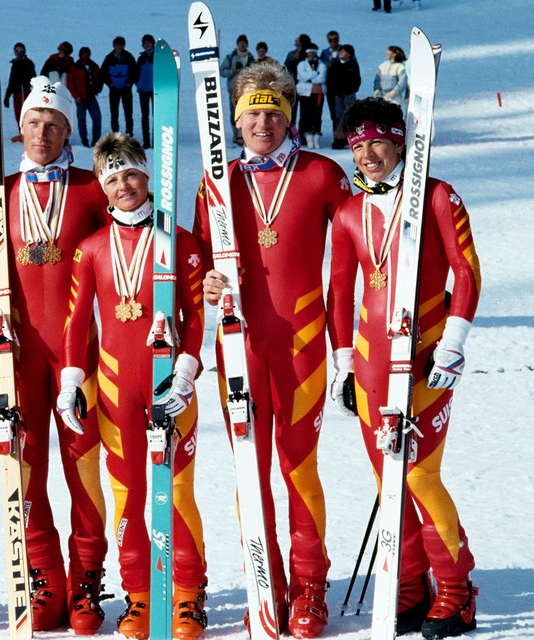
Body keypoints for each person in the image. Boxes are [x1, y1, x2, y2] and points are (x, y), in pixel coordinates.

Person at [193, 62, 350, 639]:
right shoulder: (217, 183)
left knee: (298, 465)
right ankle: (268, 583)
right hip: (239, 344)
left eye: (272, 113)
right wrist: (206, 283)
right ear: (234, 123)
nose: (262, 122)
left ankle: (309, 585)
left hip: (302, 343)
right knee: (248, 469)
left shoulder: (322, 174)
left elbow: (372, 236)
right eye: (251, 114)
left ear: (289, 117)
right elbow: (199, 263)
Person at [328, 96, 482, 640]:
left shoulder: (438, 195)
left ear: (400, 141)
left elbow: (465, 271)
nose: (368, 154)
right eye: (358, 145)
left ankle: (457, 591)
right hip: (371, 360)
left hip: (426, 351)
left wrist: (453, 344)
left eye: (377, 142)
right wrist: (344, 363)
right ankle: (412, 588)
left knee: (419, 473)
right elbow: (339, 291)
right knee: (386, 477)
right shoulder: (348, 212)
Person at [59, 132, 208, 640]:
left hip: (170, 384)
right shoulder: (91, 248)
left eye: (131, 174)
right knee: (128, 493)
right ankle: (140, 596)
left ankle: (188, 595)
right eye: (113, 177)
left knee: (178, 491)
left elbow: (197, 314)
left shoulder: (180, 240)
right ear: (103, 187)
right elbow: (78, 321)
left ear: (149, 177)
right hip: (117, 386)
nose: (124, 185)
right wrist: (71, 380)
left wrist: (187, 371)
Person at [0, 76, 110, 634]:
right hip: (20, 352)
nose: (42, 133)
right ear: (18, 129)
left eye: (54, 125)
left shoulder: (92, 188)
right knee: (25, 470)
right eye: (33, 123)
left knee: (85, 471)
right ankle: (44, 579)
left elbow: (128, 250)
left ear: (68, 131)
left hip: (81, 354)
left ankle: (85, 580)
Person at [101, 36, 138, 138]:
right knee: (114, 114)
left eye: (121, 45)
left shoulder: (129, 57)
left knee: (128, 113)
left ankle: (129, 134)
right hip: (114, 90)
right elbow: (103, 73)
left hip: (126, 89)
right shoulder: (109, 58)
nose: (119, 47)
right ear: (114, 46)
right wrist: (110, 84)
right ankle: (116, 134)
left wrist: (129, 84)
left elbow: (135, 72)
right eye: (117, 45)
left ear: (124, 45)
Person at [67, 47, 103, 147]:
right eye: (83, 54)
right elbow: (70, 82)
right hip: (80, 98)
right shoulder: (75, 67)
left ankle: (96, 139)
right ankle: (84, 140)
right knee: (82, 120)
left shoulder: (94, 66)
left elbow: (100, 78)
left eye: (87, 54)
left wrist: (98, 89)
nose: (85, 56)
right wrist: (76, 96)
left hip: (91, 96)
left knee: (97, 118)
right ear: (80, 55)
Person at [326, 44, 361, 149]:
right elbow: (330, 80)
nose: (341, 53)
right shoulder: (334, 65)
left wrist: (350, 90)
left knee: (351, 116)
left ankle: (353, 138)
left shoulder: (353, 65)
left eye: (344, 51)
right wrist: (335, 92)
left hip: (349, 94)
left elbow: (356, 80)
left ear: (349, 54)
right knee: (338, 117)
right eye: (341, 51)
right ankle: (339, 139)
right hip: (338, 96)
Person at [4, 42, 37, 142]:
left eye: (21, 51)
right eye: (17, 51)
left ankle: (28, 134)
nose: (19, 53)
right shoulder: (14, 63)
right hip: (16, 92)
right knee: (17, 114)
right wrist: (7, 96)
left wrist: (29, 84)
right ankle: (22, 133)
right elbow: (11, 80)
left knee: (25, 113)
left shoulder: (28, 63)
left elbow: (33, 77)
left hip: (24, 91)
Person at [296, 44, 326, 149]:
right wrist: (314, 74)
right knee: (306, 115)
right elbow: (301, 76)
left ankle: (316, 138)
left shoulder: (322, 65)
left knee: (317, 115)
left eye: (313, 53)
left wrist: (311, 80)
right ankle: (308, 138)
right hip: (305, 93)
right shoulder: (302, 65)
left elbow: (322, 78)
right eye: (310, 53)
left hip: (318, 94)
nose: (312, 55)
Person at [283, 34, 311, 123]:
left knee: (305, 111)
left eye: (297, 39)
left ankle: (303, 133)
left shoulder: (308, 55)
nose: (295, 40)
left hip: (305, 86)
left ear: (301, 42)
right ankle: (292, 132)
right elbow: (285, 68)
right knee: (291, 110)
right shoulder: (291, 54)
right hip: (292, 85)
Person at [135, 35, 156, 149]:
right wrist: (138, 84)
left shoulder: (158, 56)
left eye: (149, 42)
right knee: (145, 116)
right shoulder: (141, 58)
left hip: (155, 90)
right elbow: (136, 72)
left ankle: (156, 140)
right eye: (145, 43)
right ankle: (146, 141)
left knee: (156, 116)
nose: (147, 45)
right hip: (143, 90)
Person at [374, 45, 409, 110]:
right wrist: (377, 89)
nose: (387, 53)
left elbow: (402, 83)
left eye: (388, 52)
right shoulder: (383, 65)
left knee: (393, 115)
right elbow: (377, 79)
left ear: (394, 54)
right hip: (383, 95)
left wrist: (394, 92)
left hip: (395, 97)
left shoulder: (400, 67)